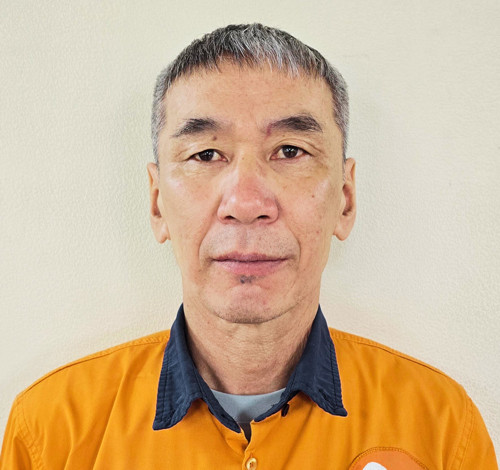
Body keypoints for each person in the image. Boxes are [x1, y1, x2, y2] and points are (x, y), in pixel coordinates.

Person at [0, 23, 496, 470]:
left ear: (345, 199)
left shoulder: (440, 429)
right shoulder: (52, 434)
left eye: (290, 151)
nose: (246, 202)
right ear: (157, 203)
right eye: (206, 154)